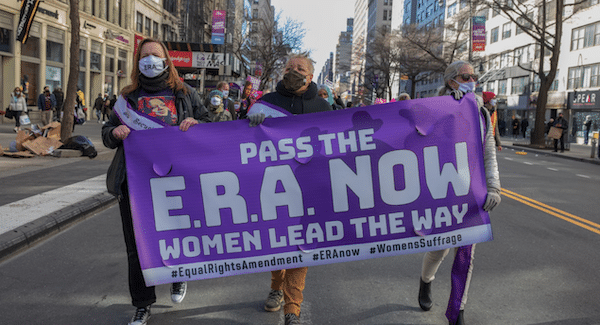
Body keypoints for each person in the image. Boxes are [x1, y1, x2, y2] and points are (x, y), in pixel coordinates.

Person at [101, 38, 210, 325]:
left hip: (177, 178)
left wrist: (198, 126)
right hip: (135, 181)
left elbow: (211, 124)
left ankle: (178, 277)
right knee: (137, 245)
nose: (150, 59)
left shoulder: (185, 93)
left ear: (166, 60)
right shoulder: (126, 98)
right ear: (138, 61)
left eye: (155, 55)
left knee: (177, 236)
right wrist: (114, 134)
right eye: (145, 55)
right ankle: (143, 303)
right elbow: (106, 131)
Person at [249, 53, 331, 325]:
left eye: (300, 68)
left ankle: (292, 308)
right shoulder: (266, 103)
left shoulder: (323, 107)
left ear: (310, 76)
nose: (293, 71)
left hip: (308, 187)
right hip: (273, 186)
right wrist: (250, 122)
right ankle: (276, 285)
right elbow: (240, 142)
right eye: (289, 67)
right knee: (276, 243)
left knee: (301, 246)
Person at [418, 61, 501, 325]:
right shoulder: (437, 106)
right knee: (439, 249)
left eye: (474, 76)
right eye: (466, 76)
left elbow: (488, 151)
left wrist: (494, 187)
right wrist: (446, 107)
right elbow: (419, 134)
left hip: (472, 191)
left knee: (466, 254)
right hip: (443, 190)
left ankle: (458, 311)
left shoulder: (481, 112)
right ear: (452, 81)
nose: (472, 80)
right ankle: (425, 282)